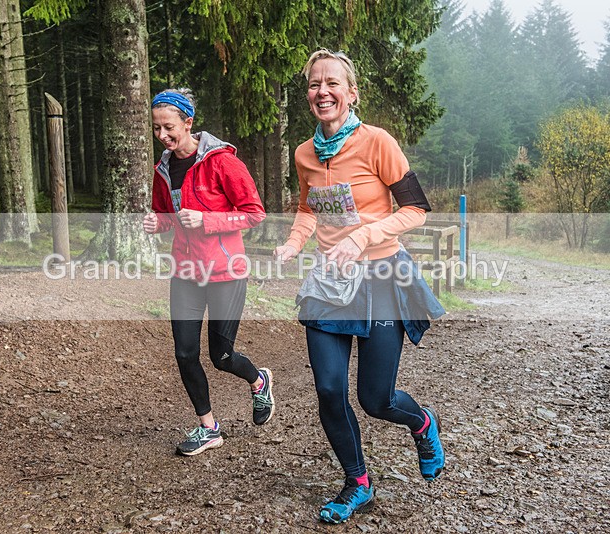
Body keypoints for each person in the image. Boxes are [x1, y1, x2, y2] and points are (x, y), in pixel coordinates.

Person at [273, 50, 447, 524]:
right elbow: (310, 208)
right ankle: (358, 483)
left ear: (352, 94)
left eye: (332, 83)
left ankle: (423, 422)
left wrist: (363, 235)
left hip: (381, 280)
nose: (322, 91)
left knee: (377, 400)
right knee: (329, 390)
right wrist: (293, 243)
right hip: (329, 284)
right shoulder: (305, 153)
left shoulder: (377, 142)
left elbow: (416, 209)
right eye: (313, 84)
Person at [143, 88, 274, 456]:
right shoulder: (163, 168)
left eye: (168, 128)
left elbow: (254, 213)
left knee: (222, 356)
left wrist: (208, 220)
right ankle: (209, 427)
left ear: (188, 122)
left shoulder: (222, 162)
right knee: (184, 353)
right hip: (185, 271)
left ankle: (257, 379)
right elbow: (168, 216)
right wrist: (159, 224)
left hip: (224, 271)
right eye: (156, 129)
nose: (162, 137)